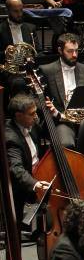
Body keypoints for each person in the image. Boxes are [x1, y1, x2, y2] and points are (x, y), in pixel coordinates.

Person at [39, 32, 84, 150]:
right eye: (70, 51)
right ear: (60, 50)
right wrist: (50, 107)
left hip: (83, 119)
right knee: (66, 144)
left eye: (76, 51)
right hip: (61, 120)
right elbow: (38, 98)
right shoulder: (47, 70)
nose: (74, 55)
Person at [5, 94, 48, 226]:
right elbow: (16, 169)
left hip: (39, 170)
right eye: (32, 114)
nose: (36, 117)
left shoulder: (30, 122)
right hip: (23, 183)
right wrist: (35, 184)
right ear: (18, 116)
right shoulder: (11, 138)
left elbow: (46, 132)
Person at [0, 0, 39, 64]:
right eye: (16, 11)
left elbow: (38, 51)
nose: (20, 14)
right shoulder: (1, 29)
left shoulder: (31, 28)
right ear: (7, 11)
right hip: (7, 70)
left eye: (21, 10)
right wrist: (6, 53)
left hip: (28, 68)